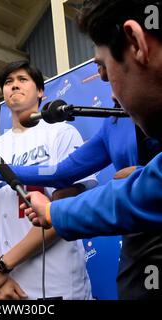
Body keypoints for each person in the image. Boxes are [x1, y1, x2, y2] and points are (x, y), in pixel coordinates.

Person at [22, 0, 162, 299]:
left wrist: (53, 211)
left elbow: (149, 190)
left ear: (136, 42)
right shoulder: (111, 127)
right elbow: (61, 172)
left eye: (104, 67)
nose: (107, 85)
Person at [0, 61, 96, 300]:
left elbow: (63, 210)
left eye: (22, 79)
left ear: (40, 91)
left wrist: (3, 265)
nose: (14, 85)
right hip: (6, 289)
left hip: (57, 283)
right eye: (8, 82)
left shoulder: (61, 133)